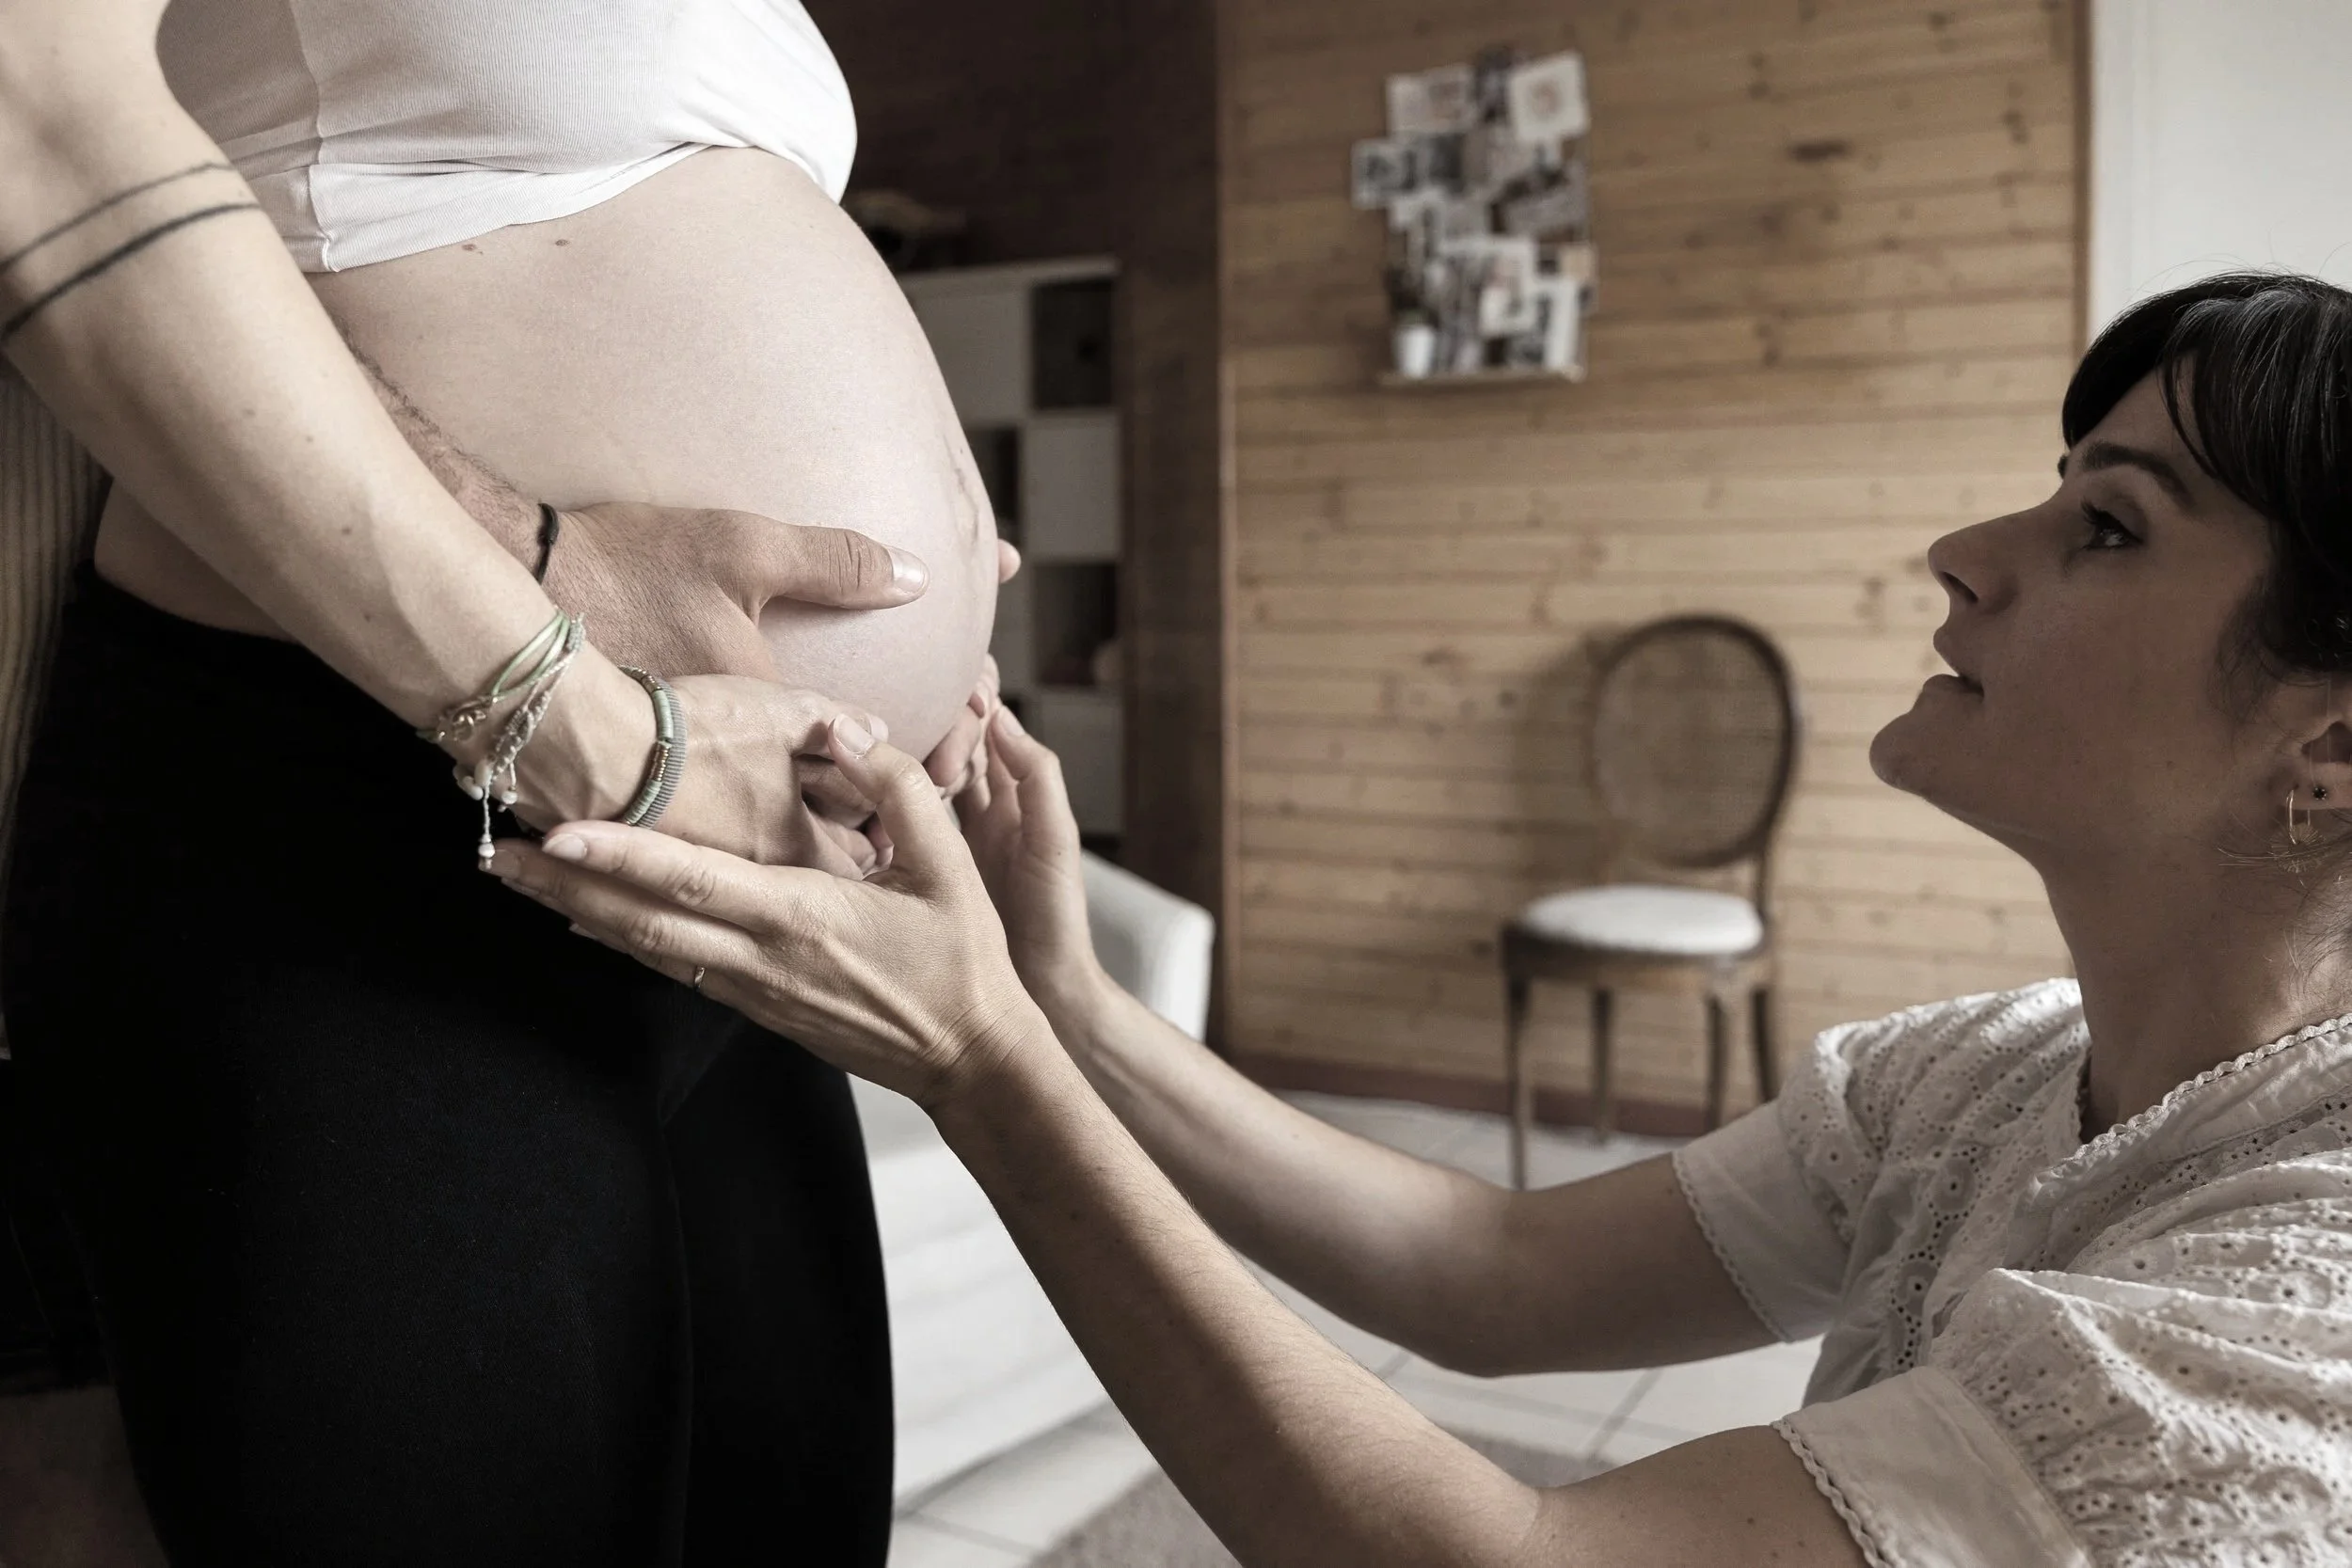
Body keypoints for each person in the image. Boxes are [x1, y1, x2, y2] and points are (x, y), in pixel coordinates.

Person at [502, 272, 2352, 1567]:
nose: (1969, 545)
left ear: (2327, 743)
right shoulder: (1981, 1077)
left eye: (2105, 526)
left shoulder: (2301, 1314)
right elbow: (1485, 1269)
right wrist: (1057, 992)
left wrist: (983, 1061)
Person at [1, 0, 1007, 1561]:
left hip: (732, 852)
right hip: (359, 794)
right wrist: (564, 666)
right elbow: (32, 126)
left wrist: (920, 635)